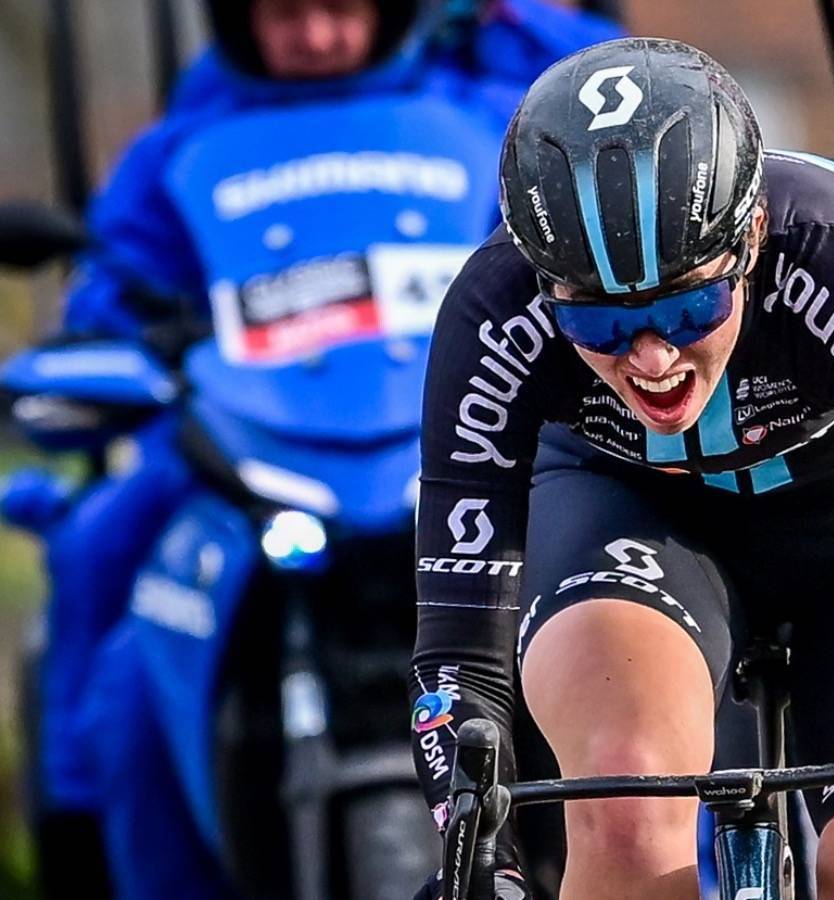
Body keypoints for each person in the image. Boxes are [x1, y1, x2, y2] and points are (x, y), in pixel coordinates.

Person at [410, 37, 834, 900]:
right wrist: (480, 857)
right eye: (599, 322)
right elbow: (457, 658)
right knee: (626, 800)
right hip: (626, 509)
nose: (651, 359)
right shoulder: (495, 306)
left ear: (750, 237)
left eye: (689, 306)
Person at [31, 1, 619, 896]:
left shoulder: (494, 106)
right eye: (283, 13)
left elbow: (617, 96)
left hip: (463, 451)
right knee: (99, 571)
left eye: (340, 8)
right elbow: (109, 296)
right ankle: (70, 826)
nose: (314, 37)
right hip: (241, 470)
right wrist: (114, 345)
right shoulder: (176, 149)